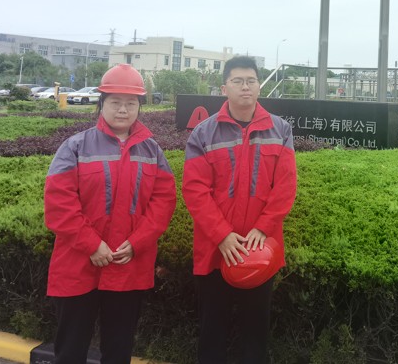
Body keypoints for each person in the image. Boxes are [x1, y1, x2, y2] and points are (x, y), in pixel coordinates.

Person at [44, 64, 177, 364]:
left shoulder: (152, 151)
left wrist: (138, 242)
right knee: (70, 350)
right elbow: (59, 204)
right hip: (78, 265)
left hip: (127, 264)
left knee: (119, 350)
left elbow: (164, 201)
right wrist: (92, 245)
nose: (123, 110)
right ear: (101, 103)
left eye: (131, 103)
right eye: (115, 102)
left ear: (140, 107)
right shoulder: (74, 147)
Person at [183, 55, 297, 364]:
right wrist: (222, 235)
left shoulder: (280, 129)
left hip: (261, 249)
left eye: (251, 81)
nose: (245, 87)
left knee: (255, 333)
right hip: (216, 249)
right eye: (237, 81)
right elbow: (195, 190)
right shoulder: (203, 133)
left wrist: (263, 228)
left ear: (259, 86)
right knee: (212, 330)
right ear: (224, 88)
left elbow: (285, 186)